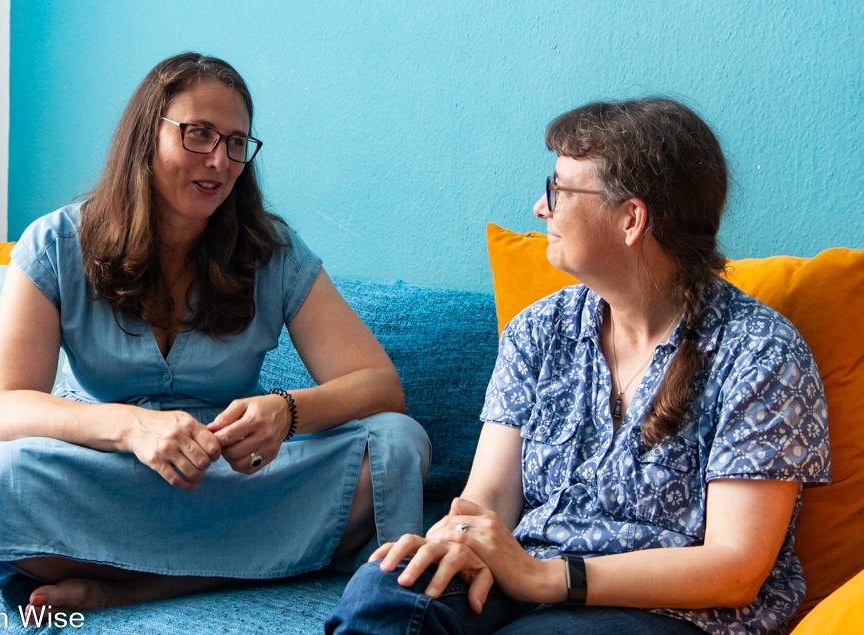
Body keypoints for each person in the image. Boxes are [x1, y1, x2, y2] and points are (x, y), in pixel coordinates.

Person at [326, 98, 830, 635]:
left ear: (631, 219)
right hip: (522, 575)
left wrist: (548, 578)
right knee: (386, 588)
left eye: (559, 191)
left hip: (664, 608)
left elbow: (735, 568)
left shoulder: (760, 353)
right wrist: (457, 538)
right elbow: (489, 496)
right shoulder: (538, 331)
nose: (541, 207)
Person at [0, 52, 430, 612]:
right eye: (198, 134)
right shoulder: (56, 244)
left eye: (236, 143)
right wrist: (131, 426)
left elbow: (379, 385)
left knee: (398, 443)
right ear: (145, 137)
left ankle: (142, 583)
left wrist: (287, 409)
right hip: (106, 475)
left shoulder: (269, 252)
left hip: (233, 481)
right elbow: (3, 412)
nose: (220, 160)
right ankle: (251, 563)